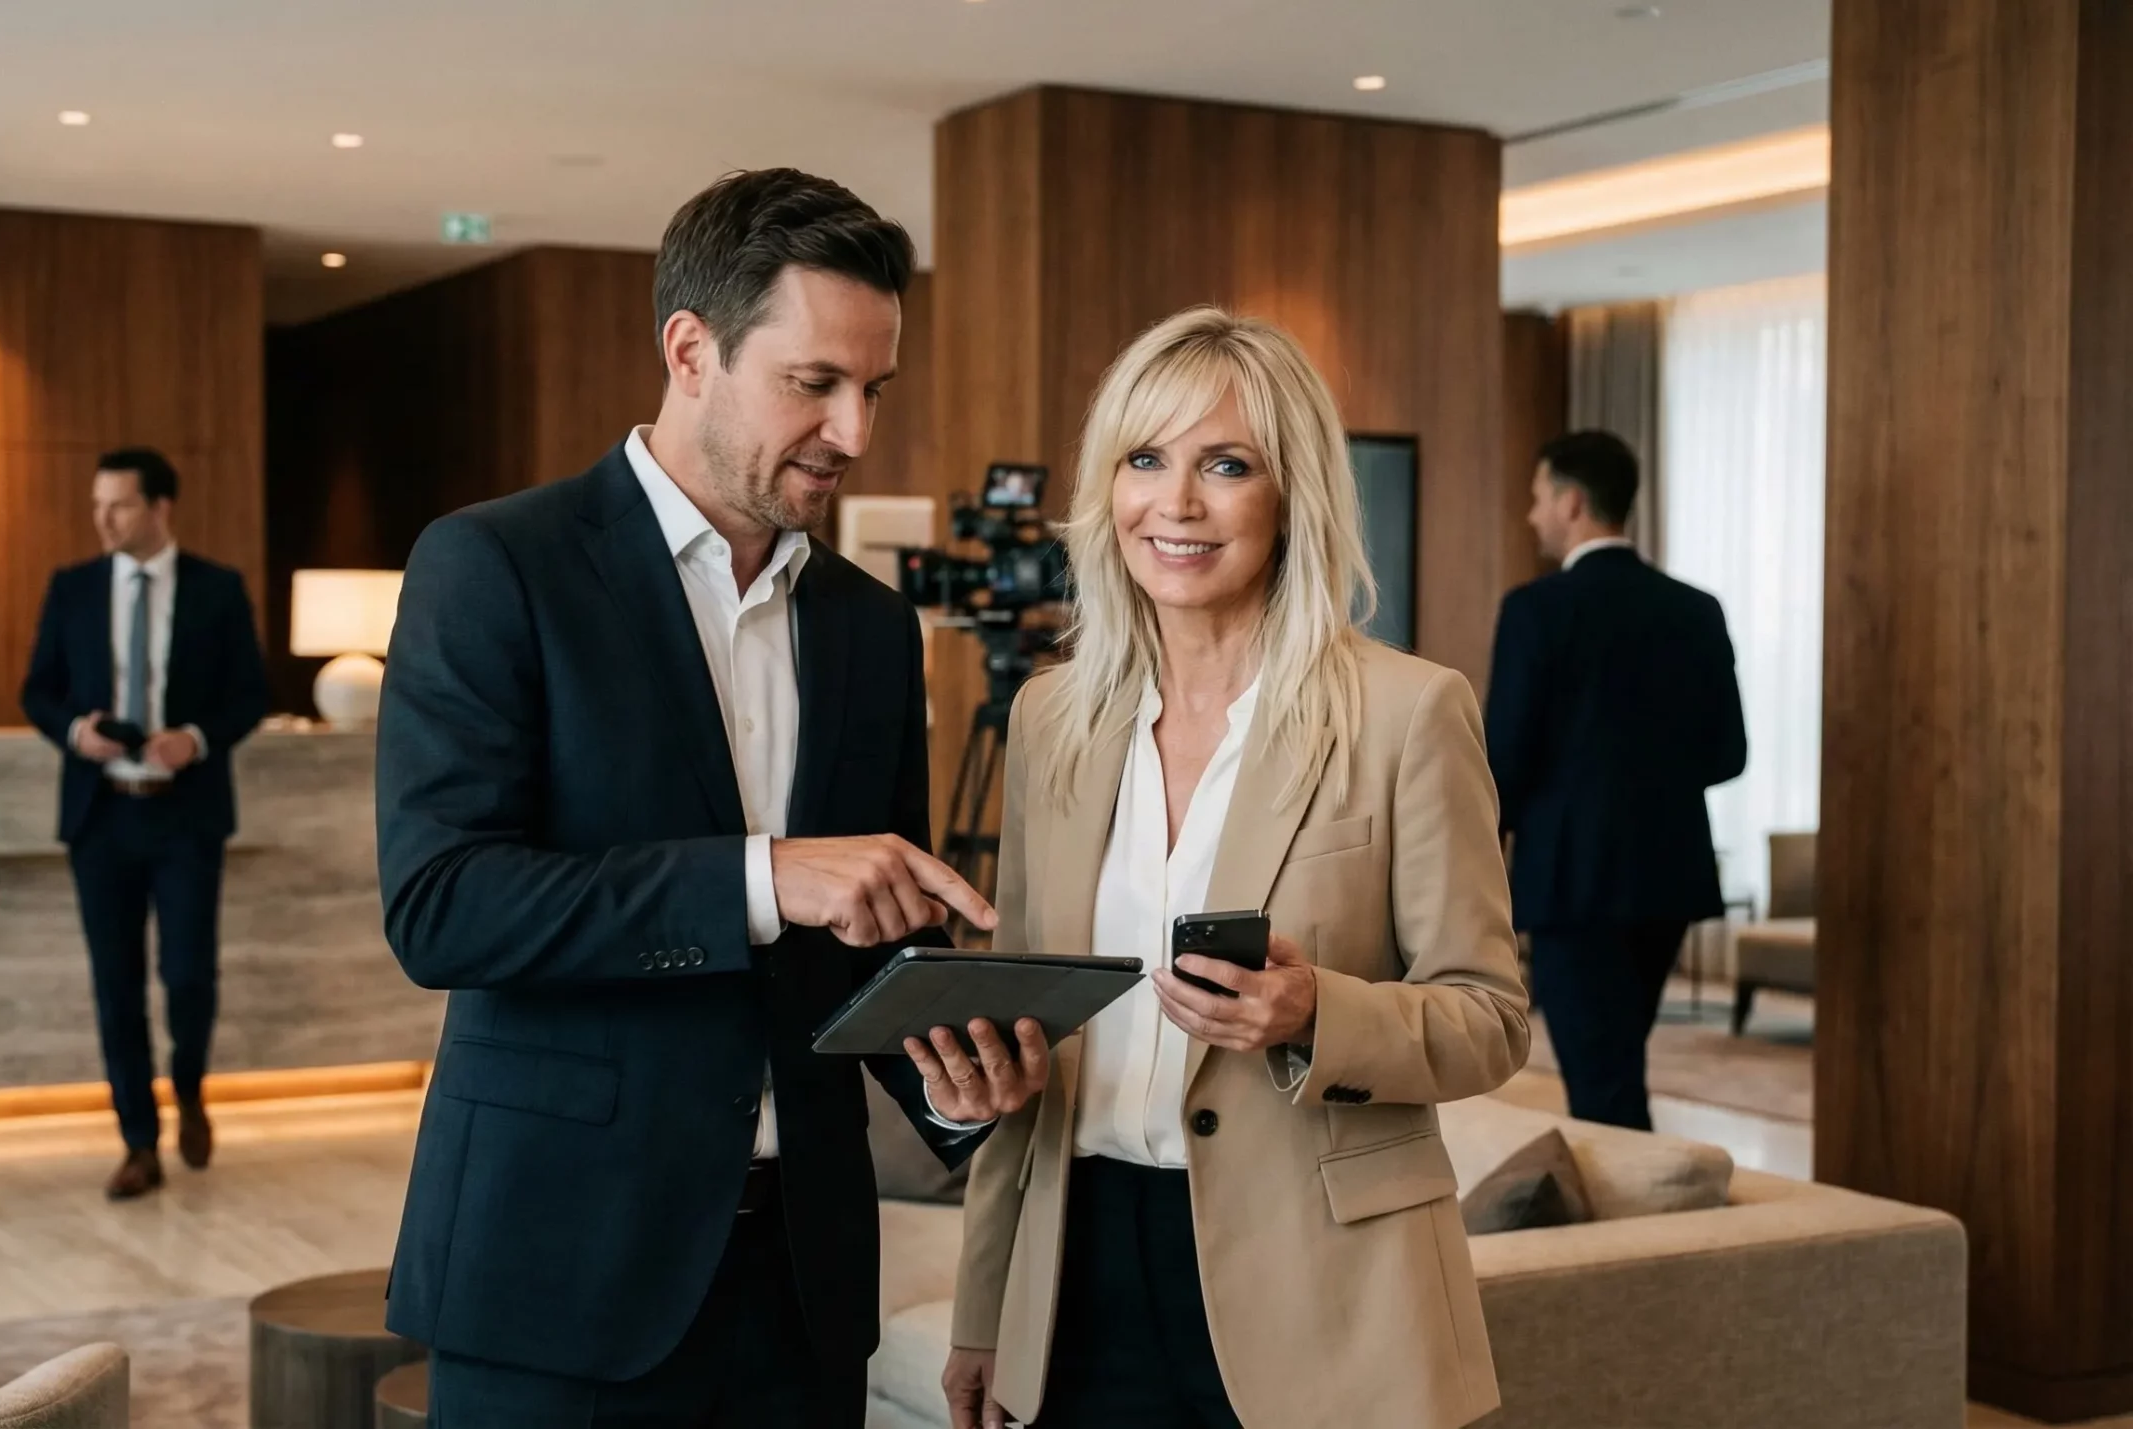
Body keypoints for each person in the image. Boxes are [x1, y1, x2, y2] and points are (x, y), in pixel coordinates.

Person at [375, 168, 1052, 1428]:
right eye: (814, 385)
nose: (854, 433)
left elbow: (869, 943)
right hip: (559, 1275)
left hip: (803, 1290)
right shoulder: (494, 566)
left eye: (874, 391)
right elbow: (441, 906)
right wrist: (761, 871)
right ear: (690, 350)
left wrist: (947, 1081)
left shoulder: (872, 627)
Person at [941, 308, 1531, 1429]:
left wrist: (1317, 1013)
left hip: (1325, 1295)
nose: (1176, 503)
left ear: (1290, 493)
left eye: (1225, 465)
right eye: (1144, 459)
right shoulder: (1051, 720)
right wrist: (986, 1310)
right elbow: (1024, 1026)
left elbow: (1491, 1018)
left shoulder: (1408, 714)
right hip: (1081, 1280)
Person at [20, 448, 268, 1200]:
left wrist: (193, 738)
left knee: (189, 975)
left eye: (119, 504)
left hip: (185, 816)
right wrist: (75, 731)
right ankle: (138, 1140)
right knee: (115, 985)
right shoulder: (72, 588)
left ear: (160, 508)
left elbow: (250, 693)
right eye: (98, 504)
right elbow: (38, 690)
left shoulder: (217, 589)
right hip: (102, 817)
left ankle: (188, 1083)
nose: (103, 518)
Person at [1482, 429, 1747, 1130]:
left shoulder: (1536, 611)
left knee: (1602, 1081)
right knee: (1617, 1060)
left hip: (1574, 883)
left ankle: (1638, 1224)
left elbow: (1504, 757)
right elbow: (1729, 754)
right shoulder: (1697, 610)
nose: (1531, 514)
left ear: (1571, 502)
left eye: (1538, 498)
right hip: (1669, 876)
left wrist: (1475, 854)